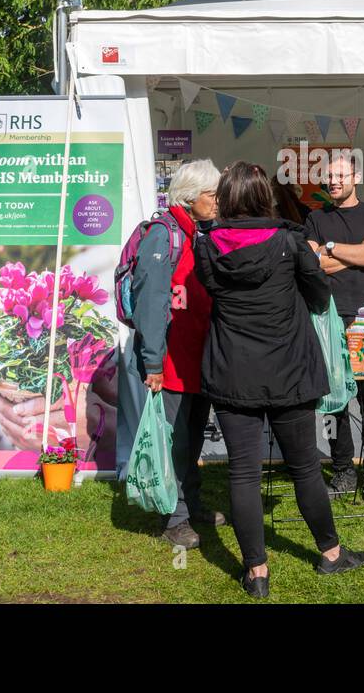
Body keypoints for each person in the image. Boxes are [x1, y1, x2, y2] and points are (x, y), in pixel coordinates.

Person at [194, 160, 364, 598]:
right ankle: (330, 554)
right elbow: (318, 295)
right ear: (264, 197)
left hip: (233, 368)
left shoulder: (207, 246)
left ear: (228, 200)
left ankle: (257, 572)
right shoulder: (291, 242)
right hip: (289, 367)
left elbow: (214, 290)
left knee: (243, 473)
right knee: (305, 465)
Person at [129, 159, 227, 550]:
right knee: (174, 441)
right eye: (212, 194)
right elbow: (150, 302)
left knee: (192, 437)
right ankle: (175, 518)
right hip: (170, 362)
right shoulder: (163, 234)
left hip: (197, 359)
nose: (218, 201)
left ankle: (191, 502)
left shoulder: (198, 232)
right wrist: (152, 361)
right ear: (189, 198)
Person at [304, 152, 364, 499]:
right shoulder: (315, 218)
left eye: (341, 175)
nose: (334, 181)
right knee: (335, 398)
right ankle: (343, 471)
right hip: (328, 317)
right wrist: (353, 253)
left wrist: (331, 250)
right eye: (329, 176)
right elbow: (314, 266)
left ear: (356, 177)